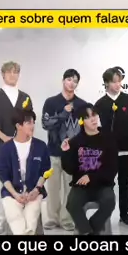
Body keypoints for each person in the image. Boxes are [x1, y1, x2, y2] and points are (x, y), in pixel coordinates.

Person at [0, 108, 51, 255]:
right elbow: (3, 175)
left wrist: (36, 190)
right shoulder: (6, 148)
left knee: (31, 217)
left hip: (35, 192)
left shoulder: (40, 146)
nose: (32, 126)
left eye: (33, 122)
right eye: (28, 123)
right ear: (18, 125)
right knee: (14, 216)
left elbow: (45, 171)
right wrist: (15, 194)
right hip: (11, 192)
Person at [0, 61, 33, 235]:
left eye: (16, 72)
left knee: (21, 186)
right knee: (0, 187)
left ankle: (18, 225)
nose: (13, 75)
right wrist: (5, 138)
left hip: (22, 149)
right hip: (0, 149)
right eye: (9, 72)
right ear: (3, 74)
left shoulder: (25, 97)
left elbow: (29, 123)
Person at [95, 67, 128, 228]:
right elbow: (97, 130)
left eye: (119, 81)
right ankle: (104, 215)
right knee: (106, 184)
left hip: (126, 150)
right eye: (114, 81)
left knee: (124, 183)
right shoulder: (99, 104)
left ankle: (124, 215)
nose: (117, 84)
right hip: (107, 153)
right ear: (106, 83)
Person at [41, 69, 87, 232]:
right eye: (69, 79)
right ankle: (52, 218)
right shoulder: (51, 102)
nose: (71, 83)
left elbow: (86, 129)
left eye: (75, 81)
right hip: (54, 152)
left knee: (70, 189)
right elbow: (45, 124)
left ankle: (67, 219)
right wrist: (63, 113)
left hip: (73, 155)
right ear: (63, 81)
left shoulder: (82, 105)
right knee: (53, 188)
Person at [61, 104, 117, 235]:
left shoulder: (108, 139)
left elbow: (112, 168)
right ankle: (87, 232)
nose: (93, 119)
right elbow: (69, 169)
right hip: (81, 186)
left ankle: (89, 230)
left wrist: (91, 177)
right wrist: (66, 152)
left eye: (94, 115)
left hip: (103, 185)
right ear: (81, 121)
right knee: (72, 204)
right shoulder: (75, 142)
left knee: (109, 201)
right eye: (88, 117)